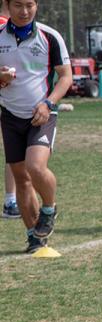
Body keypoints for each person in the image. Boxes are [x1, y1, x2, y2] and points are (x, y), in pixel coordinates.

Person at [0, 0, 72, 253]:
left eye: (30, 5)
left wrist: (48, 103)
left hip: (42, 114)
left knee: (35, 166)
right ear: (7, 5)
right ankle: (34, 236)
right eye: (18, 5)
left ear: (37, 5)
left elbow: (66, 76)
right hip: (9, 115)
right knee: (21, 178)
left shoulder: (50, 36)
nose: (24, 11)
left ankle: (49, 209)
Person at [0, 1, 18, 219]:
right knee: (15, 152)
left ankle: (11, 200)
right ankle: (11, 200)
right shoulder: (5, 27)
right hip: (8, 98)